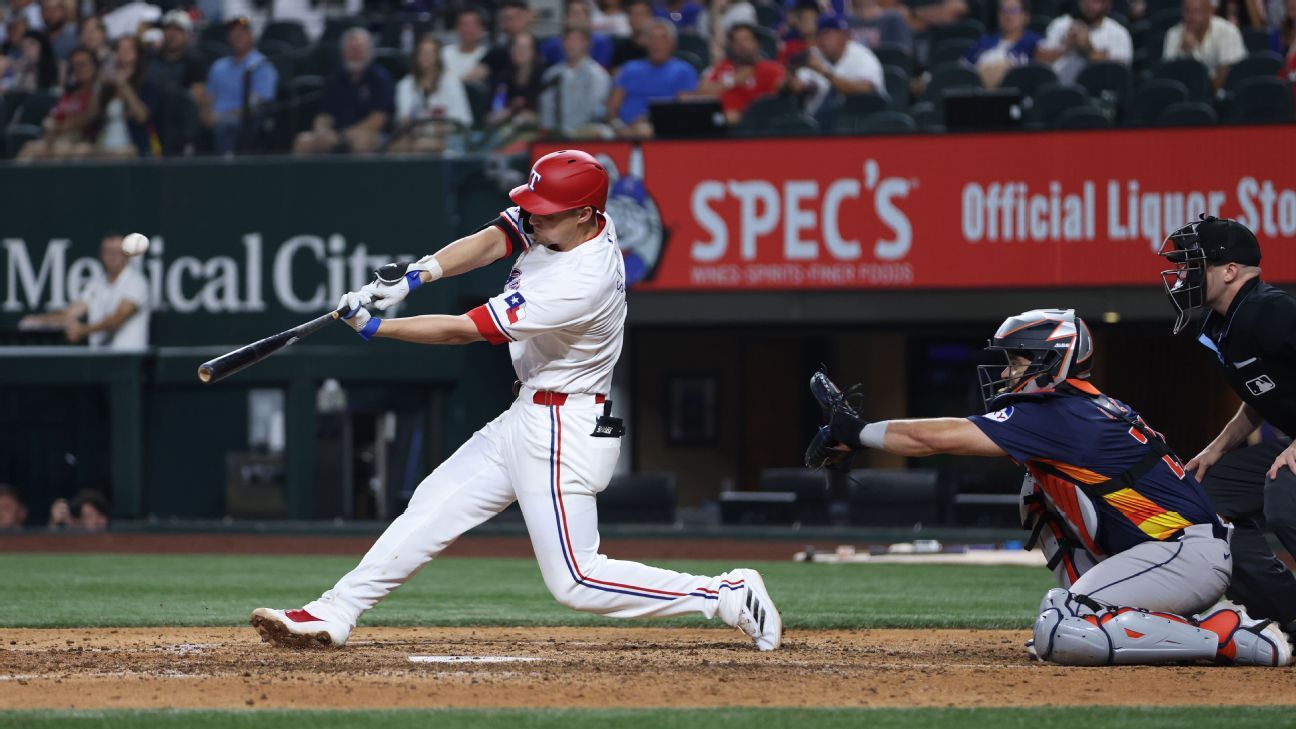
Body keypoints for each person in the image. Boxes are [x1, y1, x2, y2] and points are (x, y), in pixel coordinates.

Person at [250, 149, 782, 653]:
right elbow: (494, 238)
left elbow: (463, 330)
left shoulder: (582, 279)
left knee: (576, 580)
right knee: (435, 501)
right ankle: (336, 609)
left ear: (585, 216)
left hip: (563, 427)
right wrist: (415, 275)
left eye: (547, 215)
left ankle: (724, 594)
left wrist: (378, 326)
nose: (534, 221)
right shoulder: (571, 224)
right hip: (531, 413)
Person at [805, 308, 1292, 667]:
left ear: (1051, 361)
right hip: (1167, 550)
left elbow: (935, 438)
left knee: (1061, 628)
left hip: (1183, 555)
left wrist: (858, 432)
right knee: (1034, 488)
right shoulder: (1078, 406)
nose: (1007, 372)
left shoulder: (1060, 413)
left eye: (1018, 361)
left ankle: (1228, 636)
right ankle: (1093, 612)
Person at [1157, 216, 1296, 645]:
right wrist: (1216, 449)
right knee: (1207, 499)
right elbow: (1261, 395)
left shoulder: (1269, 310)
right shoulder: (1220, 325)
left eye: (1192, 264)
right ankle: (1290, 614)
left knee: (1283, 494)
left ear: (1230, 271)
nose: (1182, 275)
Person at [19, 234, 150, 349]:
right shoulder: (96, 284)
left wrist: (83, 330)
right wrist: (39, 320)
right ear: (101, 255)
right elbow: (70, 313)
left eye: (117, 252)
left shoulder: (137, 282)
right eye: (108, 251)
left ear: (126, 255)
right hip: (102, 359)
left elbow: (118, 318)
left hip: (130, 361)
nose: (112, 256)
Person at [293, 28, 393, 155]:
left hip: (369, 133)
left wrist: (345, 134)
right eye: (351, 50)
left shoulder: (380, 78)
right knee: (303, 140)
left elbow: (378, 119)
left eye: (359, 49)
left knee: (360, 141)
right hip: (336, 134)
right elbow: (324, 114)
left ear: (369, 52)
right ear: (343, 53)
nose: (355, 54)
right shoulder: (334, 78)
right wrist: (323, 130)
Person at [606, 19, 698, 136]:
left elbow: (682, 111)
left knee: (645, 131)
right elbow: (612, 107)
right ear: (645, 42)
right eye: (652, 38)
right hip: (622, 130)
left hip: (661, 130)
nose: (657, 43)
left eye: (663, 38)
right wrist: (619, 127)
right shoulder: (629, 69)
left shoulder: (684, 71)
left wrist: (648, 119)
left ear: (673, 43)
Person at [201, 16, 277, 155]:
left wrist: (221, 116)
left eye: (242, 32)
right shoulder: (218, 66)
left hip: (244, 120)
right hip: (214, 117)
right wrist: (206, 115)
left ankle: (226, 169)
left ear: (251, 36)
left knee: (225, 125)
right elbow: (208, 98)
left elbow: (256, 104)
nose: (237, 36)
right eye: (233, 33)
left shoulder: (261, 65)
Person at [790, 14, 885, 120]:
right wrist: (802, 86)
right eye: (819, 35)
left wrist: (825, 73)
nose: (823, 39)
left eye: (828, 34)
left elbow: (867, 90)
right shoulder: (813, 55)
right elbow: (799, 84)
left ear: (844, 36)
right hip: (818, 123)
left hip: (859, 123)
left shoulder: (862, 56)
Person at [390, 34, 472, 154]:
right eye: (422, 53)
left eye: (430, 53)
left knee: (421, 146)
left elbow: (463, 119)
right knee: (396, 147)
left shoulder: (452, 83)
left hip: (447, 138)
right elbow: (403, 119)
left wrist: (437, 129)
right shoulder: (405, 85)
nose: (425, 57)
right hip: (413, 137)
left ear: (438, 56)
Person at [16, 45, 100, 161]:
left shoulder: (98, 90)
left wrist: (60, 128)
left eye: (83, 64)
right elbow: (54, 115)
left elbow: (90, 116)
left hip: (83, 141)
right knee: (29, 148)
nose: (78, 69)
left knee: (62, 152)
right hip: (57, 139)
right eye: (75, 65)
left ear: (94, 65)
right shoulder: (69, 92)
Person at [694, 22, 785, 124]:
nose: (742, 45)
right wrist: (732, 80)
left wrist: (743, 117)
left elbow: (778, 102)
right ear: (731, 46)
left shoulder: (771, 69)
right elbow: (701, 92)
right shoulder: (723, 67)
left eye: (747, 39)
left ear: (757, 43)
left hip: (754, 126)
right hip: (720, 124)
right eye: (737, 41)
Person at [91, 34, 160, 158]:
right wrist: (97, 86)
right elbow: (94, 115)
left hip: (135, 144)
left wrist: (124, 86)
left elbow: (143, 117)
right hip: (105, 140)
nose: (124, 52)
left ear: (138, 53)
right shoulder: (108, 84)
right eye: (120, 49)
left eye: (129, 48)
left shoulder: (147, 82)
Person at [1035, 0, 1132, 85]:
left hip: (1099, 97)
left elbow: (1119, 71)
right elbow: (1039, 60)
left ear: (1108, 3)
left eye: (1097, 1)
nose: (1090, 5)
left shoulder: (1119, 33)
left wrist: (1089, 50)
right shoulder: (1060, 25)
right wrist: (1065, 47)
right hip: (1062, 92)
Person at [539, 27, 612, 136]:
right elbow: (546, 105)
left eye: (577, 40)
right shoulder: (552, 74)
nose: (571, 44)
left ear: (587, 43)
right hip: (555, 134)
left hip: (586, 132)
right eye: (567, 39)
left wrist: (571, 132)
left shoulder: (597, 74)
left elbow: (592, 108)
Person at [1164, 0, 1247, 90]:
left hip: (1222, 96)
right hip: (1186, 96)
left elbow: (1228, 75)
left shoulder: (1228, 31)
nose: (1191, 17)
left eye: (1197, 11)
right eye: (1187, 11)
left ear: (1209, 12)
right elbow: (1169, 75)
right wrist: (1183, 52)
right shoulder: (1173, 34)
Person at [964, 0, 1041, 88]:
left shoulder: (1035, 43)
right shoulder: (984, 42)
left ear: (1026, 16)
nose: (1008, 15)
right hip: (979, 92)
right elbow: (964, 71)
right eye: (1003, 10)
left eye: (1014, 10)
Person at [485, 31, 545, 130]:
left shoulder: (543, 78)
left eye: (525, 48)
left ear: (534, 52)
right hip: (505, 133)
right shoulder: (502, 78)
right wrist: (504, 113)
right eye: (516, 47)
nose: (520, 51)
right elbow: (491, 113)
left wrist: (534, 117)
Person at [147, 9, 207, 98]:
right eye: (168, 28)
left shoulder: (195, 61)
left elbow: (197, 96)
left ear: (188, 35)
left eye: (178, 29)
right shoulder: (152, 57)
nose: (171, 34)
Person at [542, 0, 616, 68]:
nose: (575, 18)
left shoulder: (601, 42)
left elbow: (602, 71)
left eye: (578, 14)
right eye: (572, 13)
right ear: (566, 18)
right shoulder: (552, 44)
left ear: (588, 19)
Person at [0, 29, 59, 93]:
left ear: (42, 45)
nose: (27, 49)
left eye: (32, 44)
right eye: (24, 46)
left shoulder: (58, 66)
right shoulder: (20, 65)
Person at [442, 7, 490, 84]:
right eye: (464, 24)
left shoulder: (488, 56)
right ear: (457, 28)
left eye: (472, 25)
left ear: (481, 29)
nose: (468, 29)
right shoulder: (444, 53)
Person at [610, 0, 655, 67]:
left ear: (650, 17)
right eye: (632, 14)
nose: (636, 18)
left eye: (640, 14)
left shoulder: (657, 47)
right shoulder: (621, 47)